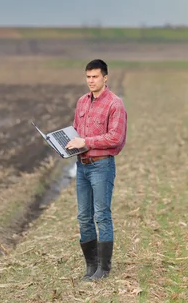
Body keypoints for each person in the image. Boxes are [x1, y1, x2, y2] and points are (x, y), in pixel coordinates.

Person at [65, 59, 127, 282]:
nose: (91, 81)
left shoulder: (115, 104)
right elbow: (76, 129)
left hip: (102, 165)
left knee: (101, 215)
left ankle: (104, 268)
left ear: (105, 78)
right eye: (88, 77)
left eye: (95, 77)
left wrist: (85, 141)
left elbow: (115, 137)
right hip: (81, 166)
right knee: (83, 217)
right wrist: (66, 141)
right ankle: (90, 266)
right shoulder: (82, 102)